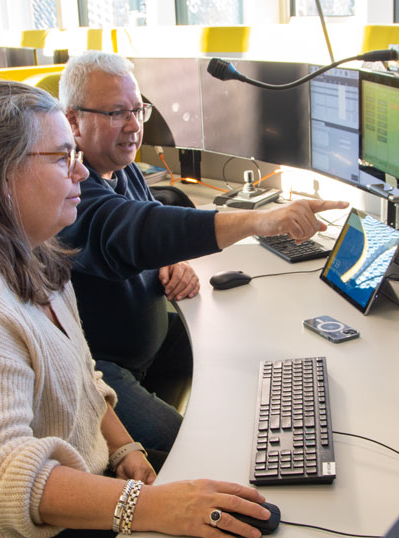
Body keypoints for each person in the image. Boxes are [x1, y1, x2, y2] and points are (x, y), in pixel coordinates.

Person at [0, 79, 272, 538]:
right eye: (62, 157)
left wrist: (123, 446)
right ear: (0, 172)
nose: (82, 171)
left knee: (228, 490)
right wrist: (153, 507)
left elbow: (82, 374)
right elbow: (7, 481)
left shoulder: (31, 251)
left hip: (65, 498)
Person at [57, 51, 347, 452]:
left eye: (138, 110)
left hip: (153, 347)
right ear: (73, 121)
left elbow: (151, 228)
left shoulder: (122, 168)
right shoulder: (67, 191)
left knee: (247, 358)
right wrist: (259, 221)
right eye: (116, 113)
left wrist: (172, 260)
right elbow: (128, 231)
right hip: (101, 370)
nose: (134, 126)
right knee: (189, 447)